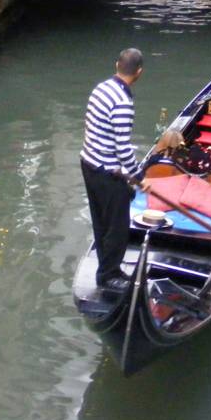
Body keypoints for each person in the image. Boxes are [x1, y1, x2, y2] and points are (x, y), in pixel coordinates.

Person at [81, 48, 146, 291]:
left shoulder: (101, 88)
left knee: (101, 220)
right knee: (118, 226)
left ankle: (107, 268)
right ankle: (109, 275)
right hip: (107, 172)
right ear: (139, 72)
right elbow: (123, 148)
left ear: (117, 64)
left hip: (88, 164)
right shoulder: (122, 102)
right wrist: (139, 177)